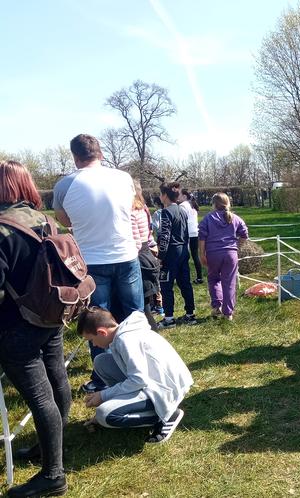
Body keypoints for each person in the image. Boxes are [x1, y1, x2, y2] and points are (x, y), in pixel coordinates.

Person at [0, 160, 70, 497]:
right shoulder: (45, 220)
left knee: (41, 398)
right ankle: (51, 450)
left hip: (16, 327)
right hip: (52, 314)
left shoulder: (2, 228)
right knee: (57, 380)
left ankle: (54, 475)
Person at [53, 133, 143, 393]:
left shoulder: (65, 185)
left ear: (75, 156)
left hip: (91, 261)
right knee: (134, 317)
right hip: (126, 255)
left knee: (96, 320)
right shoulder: (123, 178)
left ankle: (103, 376)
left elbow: (65, 221)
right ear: (100, 153)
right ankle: (140, 367)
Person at [77, 307, 192, 443]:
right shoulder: (122, 334)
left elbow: (139, 380)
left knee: (104, 415)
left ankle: (167, 415)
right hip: (155, 382)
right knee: (101, 362)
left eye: (91, 340)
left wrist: (104, 396)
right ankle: (128, 405)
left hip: (164, 390)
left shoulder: (125, 340)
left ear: (101, 332)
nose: (94, 345)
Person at [198, 193, 248, 320]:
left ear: (214, 204)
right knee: (229, 282)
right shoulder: (235, 218)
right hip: (230, 254)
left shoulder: (207, 219)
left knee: (213, 279)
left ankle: (216, 306)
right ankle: (228, 313)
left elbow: (202, 238)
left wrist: (202, 254)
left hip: (213, 254)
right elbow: (244, 234)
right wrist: (237, 246)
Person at [157, 182, 197, 329]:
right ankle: (190, 314)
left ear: (165, 195)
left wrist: (160, 256)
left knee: (166, 285)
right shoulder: (182, 211)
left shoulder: (166, 212)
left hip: (171, 254)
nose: (160, 197)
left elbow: (165, 236)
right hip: (183, 252)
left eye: (160, 194)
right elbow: (186, 234)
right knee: (185, 283)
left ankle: (169, 318)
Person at [131, 179, 160, 331]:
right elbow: (148, 234)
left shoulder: (131, 212)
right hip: (147, 254)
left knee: (142, 308)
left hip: (138, 257)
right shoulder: (143, 209)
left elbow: (135, 241)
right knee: (146, 305)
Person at [179, 189, 204, 284]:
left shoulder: (182, 206)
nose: (178, 197)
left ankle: (185, 278)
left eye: (180, 195)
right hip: (195, 232)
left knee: (184, 256)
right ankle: (199, 277)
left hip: (187, 233)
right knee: (195, 256)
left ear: (185, 196)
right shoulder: (193, 205)